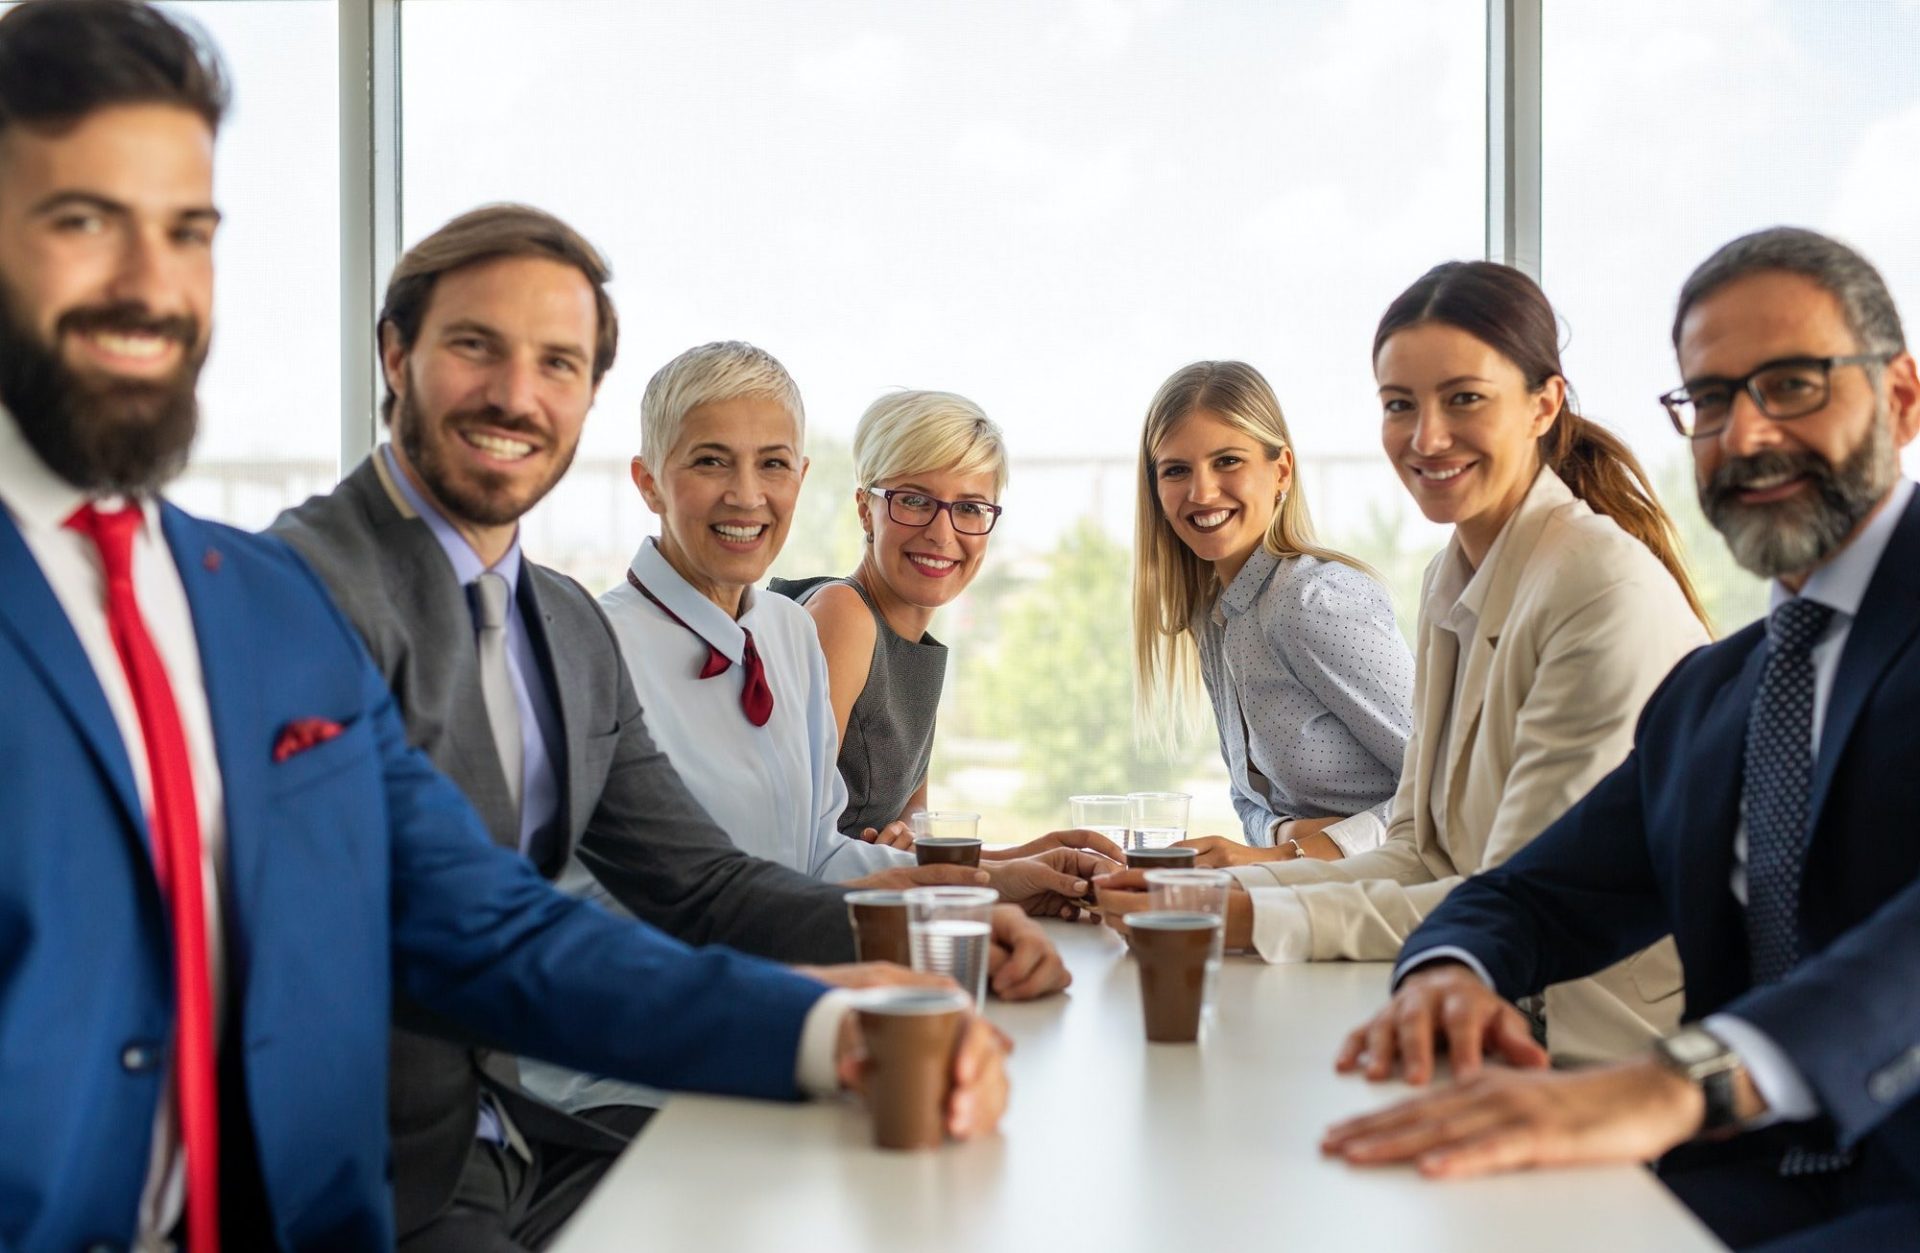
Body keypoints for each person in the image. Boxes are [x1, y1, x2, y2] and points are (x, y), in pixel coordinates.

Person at [0, 4, 1006, 1249]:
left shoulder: (244, 600)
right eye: (82, 220)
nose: (149, 284)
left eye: (187, 231)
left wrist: (826, 1026)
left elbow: (489, 925)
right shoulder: (313, 577)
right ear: (394, 356)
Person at [273, 214, 1034, 1249]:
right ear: (396, 356)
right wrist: (818, 1021)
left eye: (558, 362)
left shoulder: (561, 623)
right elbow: (481, 932)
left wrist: (931, 921)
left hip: (522, 1137)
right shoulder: (297, 593)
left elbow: (704, 884)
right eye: (476, 346)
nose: (516, 393)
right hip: (375, 1172)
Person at [1320, 228, 1920, 1251]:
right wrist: (1449, 975)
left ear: (1901, 398)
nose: (1747, 434)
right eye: (1712, 399)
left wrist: (1687, 1078)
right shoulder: (1717, 694)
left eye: (1791, 385)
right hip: (1743, 1180)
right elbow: (1529, 891)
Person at [1101, 271, 1707, 1063]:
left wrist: (1244, 907)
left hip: (1595, 1047)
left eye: (1464, 399)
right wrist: (1210, 893)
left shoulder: (1599, 588)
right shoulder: (1450, 579)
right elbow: (1418, 852)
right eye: (1399, 405)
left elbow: (1519, 898)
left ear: (1544, 405)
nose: (1426, 437)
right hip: (1492, 1013)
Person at [1130, 359, 1413, 861]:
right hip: (1324, 890)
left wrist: (1297, 852)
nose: (1201, 492)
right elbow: (1251, 802)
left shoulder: (1314, 600)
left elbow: (1456, 787)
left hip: (1408, 891)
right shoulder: (1215, 617)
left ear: (1280, 470)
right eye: (1176, 470)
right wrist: (1287, 836)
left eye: (1227, 461)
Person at [769, 390, 1005, 844]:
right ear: (866, 510)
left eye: (970, 508)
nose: (942, 534)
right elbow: (789, 839)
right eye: (914, 501)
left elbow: (913, 827)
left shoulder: (912, 645)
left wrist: (1031, 858)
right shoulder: (844, 616)